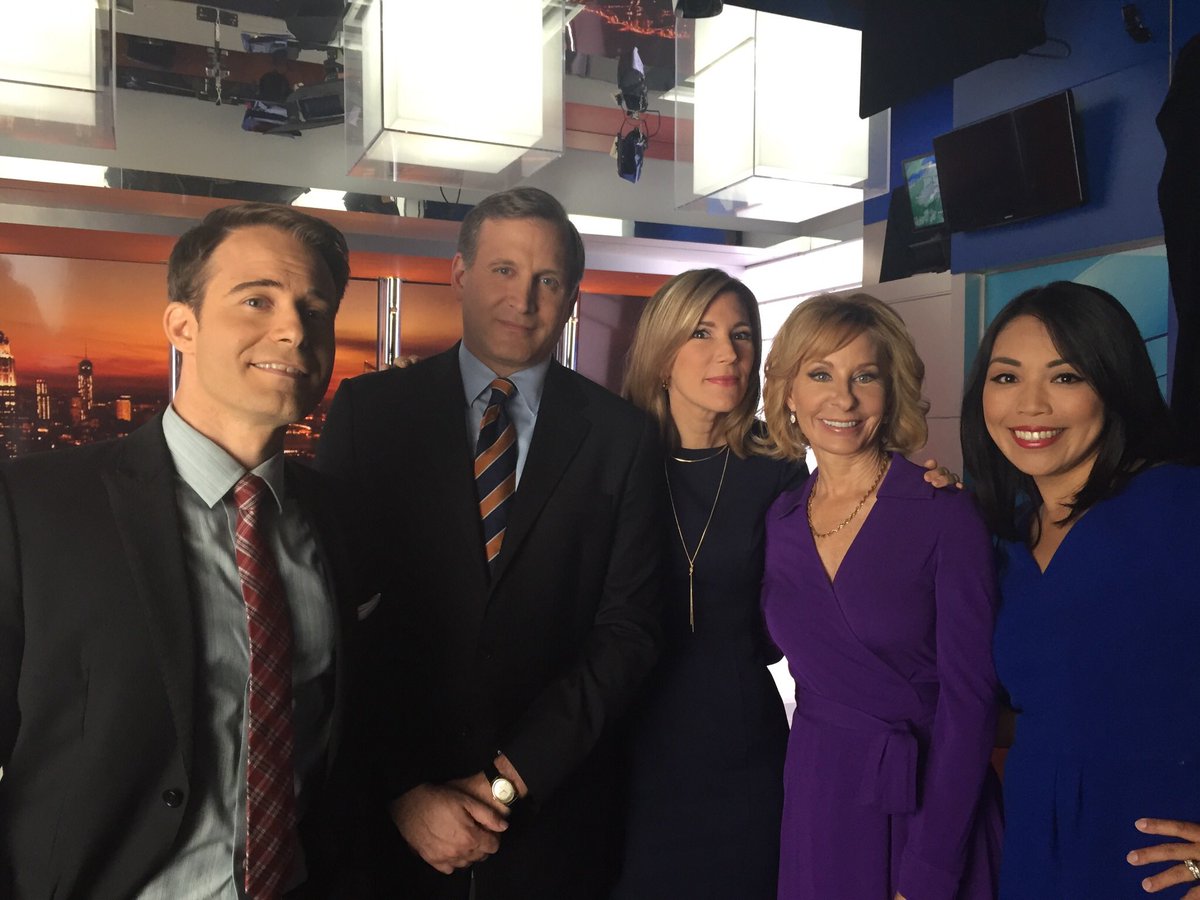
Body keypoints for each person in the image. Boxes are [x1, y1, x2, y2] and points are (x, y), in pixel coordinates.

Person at [0, 203, 365, 899]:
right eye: (257, 300)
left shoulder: (342, 521)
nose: (293, 329)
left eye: (315, 309)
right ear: (181, 326)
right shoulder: (34, 508)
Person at [316, 186, 664, 899]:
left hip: (553, 821)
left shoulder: (621, 436)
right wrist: (403, 789)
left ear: (572, 298)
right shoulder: (369, 416)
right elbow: (332, 624)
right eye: (504, 270)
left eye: (548, 280)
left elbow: (628, 630)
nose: (523, 299)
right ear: (460, 274)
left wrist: (509, 780)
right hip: (391, 827)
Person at [960, 281, 1200, 899]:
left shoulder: (1180, 509)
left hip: (1157, 864)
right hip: (1036, 851)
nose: (1029, 405)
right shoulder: (1003, 540)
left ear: (1114, 385)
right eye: (1006, 377)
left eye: (1065, 377)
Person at [762, 292, 1002, 900]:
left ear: (890, 390)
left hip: (925, 805)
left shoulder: (943, 512)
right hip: (818, 797)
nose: (843, 399)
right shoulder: (780, 518)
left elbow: (971, 705)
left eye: (864, 376)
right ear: (788, 392)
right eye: (820, 375)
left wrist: (929, 871)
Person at [611, 269, 801, 898]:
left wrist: (921, 490)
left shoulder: (778, 467)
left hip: (742, 743)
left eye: (742, 335)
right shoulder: (610, 455)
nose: (728, 353)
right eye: (702, 332)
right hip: (626, 741)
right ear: (661, 352)